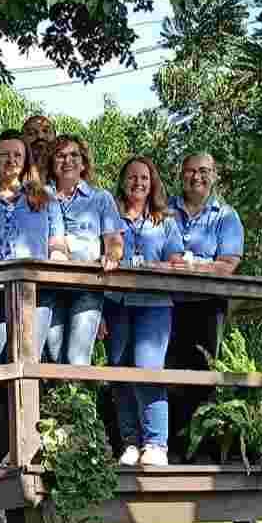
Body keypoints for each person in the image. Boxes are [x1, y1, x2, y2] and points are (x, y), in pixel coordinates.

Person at [106, 157, 184, 467]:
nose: (138, 182)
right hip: (116, 304)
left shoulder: (165, 220)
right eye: (132, 177)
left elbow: (176, 261)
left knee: (147, 369)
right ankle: (130, 442)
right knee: (120, 372)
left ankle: (156, 443)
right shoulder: (110, 217)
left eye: (144, 178)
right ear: (123, 181)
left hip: (154, 305)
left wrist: (152, 267)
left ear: (153, 184)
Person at [165, 152, 244, 460]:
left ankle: (201, 450)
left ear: (214, 175)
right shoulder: (165, 210)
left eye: (203, 171)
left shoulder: (225, 215)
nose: (196, 176)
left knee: (203, 376)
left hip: (207, 306)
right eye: (189, 170)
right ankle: (169, 447)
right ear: (181, 174)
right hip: (165, 304)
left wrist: (192, 266)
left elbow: (227, 264)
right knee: (165, 372)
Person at [0, 129, 64, 364]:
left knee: (28, 358)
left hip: (37, 290)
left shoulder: (46, 197)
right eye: (4, 155)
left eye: (17, 155)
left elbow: (57, 244)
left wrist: (58, 268)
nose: (11, 160)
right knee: (3, 362)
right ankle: (4, 402)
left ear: (25, 160)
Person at [43, 135, 123, 365]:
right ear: (51, 163)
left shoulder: (100, 198)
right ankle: (62, 401)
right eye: (60, 155)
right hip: (50, 287)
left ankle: (76, 400)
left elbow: (114, 240)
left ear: (84, 163)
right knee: (54, 357)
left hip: (87, 286)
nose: (67, 160)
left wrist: (112, 255)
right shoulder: (40, 196)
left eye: (74, 155)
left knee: (77, 358)